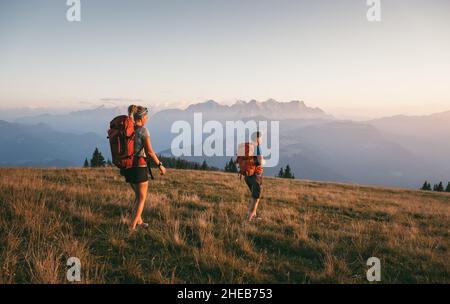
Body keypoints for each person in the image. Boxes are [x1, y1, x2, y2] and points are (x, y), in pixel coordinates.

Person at [125, 105, 166, 231]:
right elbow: (149, 152)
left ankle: (139, 221)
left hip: (127, 167)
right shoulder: (143, 130)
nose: (147, 119)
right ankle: (131, 226)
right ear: (141, 118)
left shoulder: (128, 128)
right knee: (142, 198)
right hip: (139, 167)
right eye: (146, 117)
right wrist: (160, 165)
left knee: (138, 196)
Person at [237, 131, 265, 222]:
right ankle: (247, 221)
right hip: (255, 176)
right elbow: (261, 162)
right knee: (255, 198)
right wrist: (264, 161)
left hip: (247, 176)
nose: (262, 139)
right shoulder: (257, 147)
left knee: (254, 196)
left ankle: (254, 217)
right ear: (258, 139)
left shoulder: (249, 147)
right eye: (261, 137)